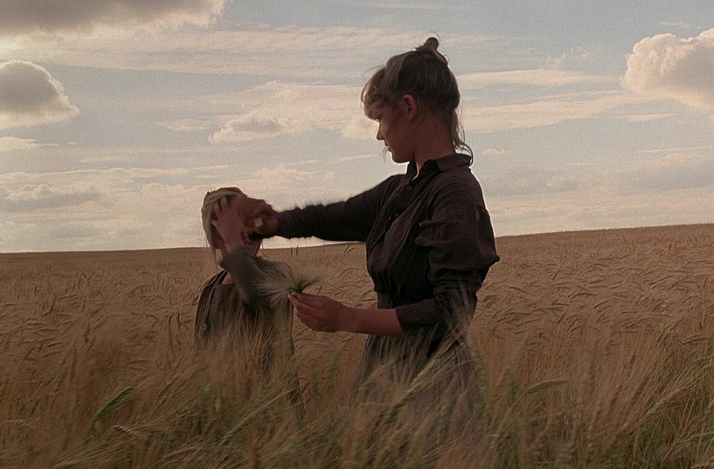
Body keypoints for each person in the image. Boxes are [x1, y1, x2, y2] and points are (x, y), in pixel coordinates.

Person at [230, 38, 499, 406]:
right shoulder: (399, 191)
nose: (379, 134)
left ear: (408, 108)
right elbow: (333, 217)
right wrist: (272, 223)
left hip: (435, 390)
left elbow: (451, 313)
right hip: (384, 375)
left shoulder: (455, 193)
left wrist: (348, 318)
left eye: (380, 119)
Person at [194, 187, 302, 409]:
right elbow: (202, 355)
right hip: (225, 409)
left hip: (274, 408)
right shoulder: (210, 289)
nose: (246, 233)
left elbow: (256, 294)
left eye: (250, 223)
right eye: (234, 226)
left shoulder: (278, 272)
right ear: (214, 238)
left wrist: (234, 244)